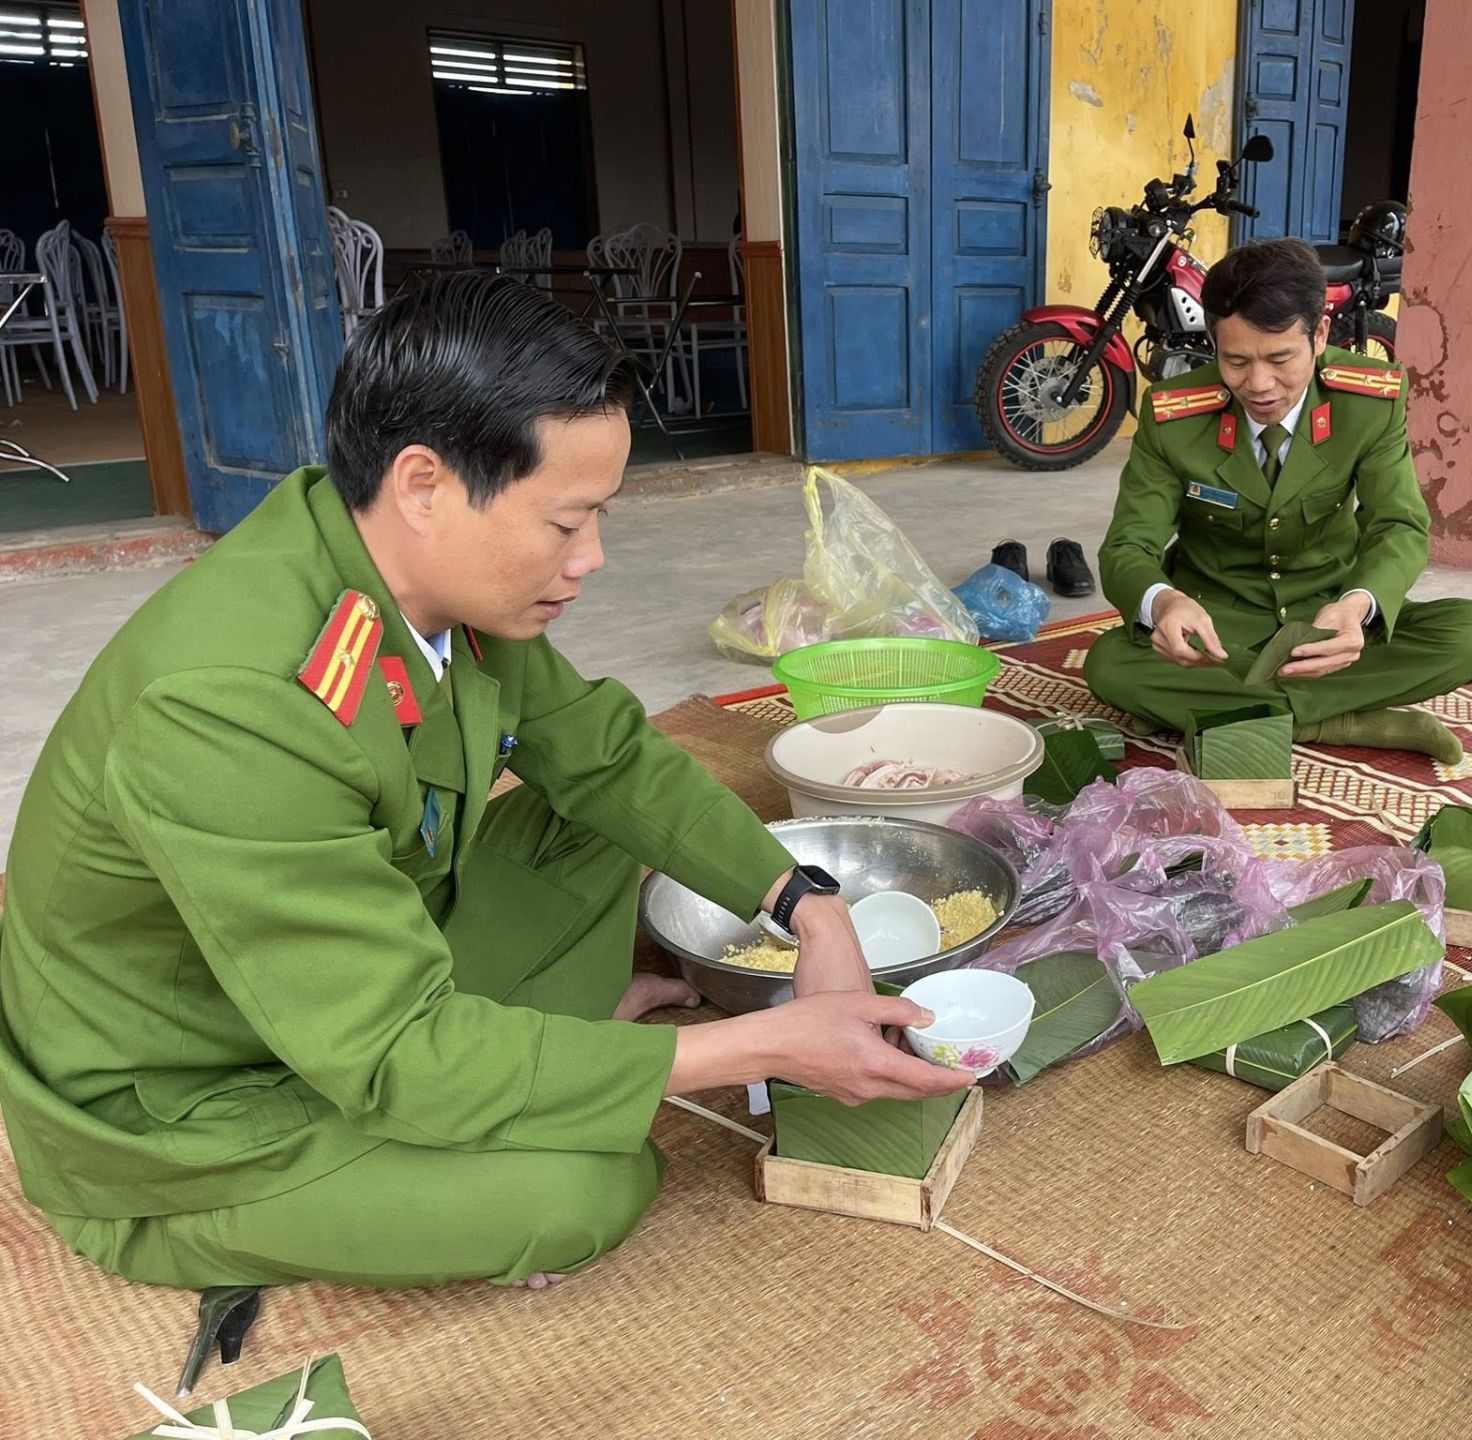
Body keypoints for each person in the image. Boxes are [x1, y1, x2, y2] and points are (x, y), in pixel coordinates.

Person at [0, 273, 970, 1293]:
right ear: (425, 485)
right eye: (565, 522)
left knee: (606, 824)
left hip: (337, 968)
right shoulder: (231, 705)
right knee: (582, 1190)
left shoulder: (418, 574)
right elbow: (389, 1051)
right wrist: (744, 1048)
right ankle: (183, 1223)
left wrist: (810, 911)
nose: (590, 558)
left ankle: (531, 1060)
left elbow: (606, 758)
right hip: (193, 1088)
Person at [1086, 238, 1472, 763]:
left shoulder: (1368, 402)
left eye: (1280, 358)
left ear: (1320, 333)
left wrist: (1357, 607)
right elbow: (1127, 546)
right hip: (1217, 630)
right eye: (1235, 360)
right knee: (1108, 665)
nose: (1258, 384)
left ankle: (1237, 715)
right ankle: (1342, 721)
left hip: (1325, 617)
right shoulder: (1174, 415)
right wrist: (1165, 603)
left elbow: (1398, 524)